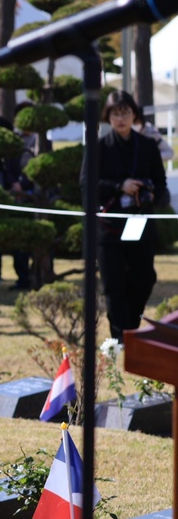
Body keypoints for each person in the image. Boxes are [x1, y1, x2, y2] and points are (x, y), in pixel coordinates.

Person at [82, 90, 168, 340]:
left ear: (134, 115)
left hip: (140, 222)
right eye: (115, 114)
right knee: (113, 283)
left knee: (145, 278)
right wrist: (120, 186)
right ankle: (119, 338)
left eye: (126, 113)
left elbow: (161, 184)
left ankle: (130, 327)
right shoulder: (98, 147)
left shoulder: (148, 146)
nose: (121, 119)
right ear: (107, 117)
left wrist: (152, 194)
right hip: (109, 226)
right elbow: (87, 185)